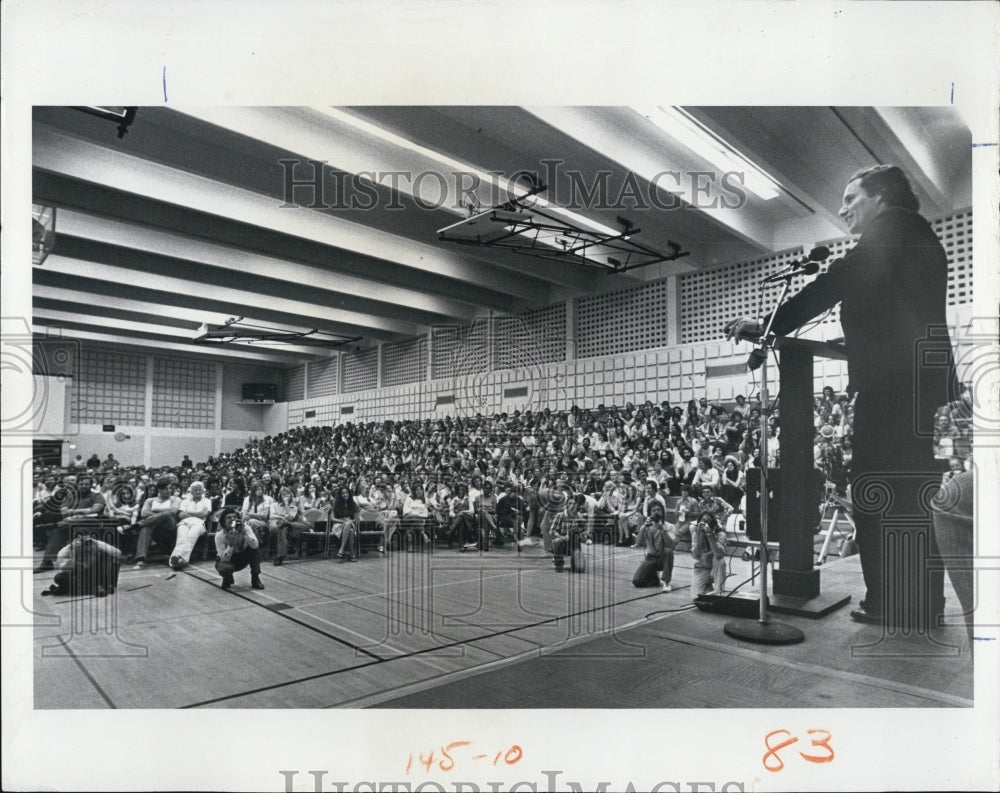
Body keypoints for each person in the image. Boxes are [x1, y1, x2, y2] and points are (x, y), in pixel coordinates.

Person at [725, 164, 954, 630]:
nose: (843, 207)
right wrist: (859, 342)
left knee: (874, 492)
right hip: (915, 386)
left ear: (881, 197)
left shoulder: (889, 230)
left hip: (891, 390)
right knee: (909, 496)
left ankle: (889, 601)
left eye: (852, 198)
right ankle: (921, 602)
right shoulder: (917, 236)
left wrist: (769, 325)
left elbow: (834, 282)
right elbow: (898, 311)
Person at [631, 501, 678, 592]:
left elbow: (671, 545)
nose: (656, 512)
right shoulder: (647, 526)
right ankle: (654, 578)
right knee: (637, 581)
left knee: (668, 551)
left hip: (663, 557)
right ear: (649, 513)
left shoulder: (669, 526)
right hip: (650, 557)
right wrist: (643, 527)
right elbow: (637, 543)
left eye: (659, 510)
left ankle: (666, 582)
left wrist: (662, 530)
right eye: (653, 510)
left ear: (663, 512)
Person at [214, 508, 264, 591]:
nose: (232, 519)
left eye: (234, 517)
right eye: (229, 517)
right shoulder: (219, 535)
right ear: (223, 522)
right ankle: (227, 578)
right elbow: (223, 558)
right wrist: (231, 544)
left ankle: (255, 578)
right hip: (227, 560)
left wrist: (244, 533)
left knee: (254, 549)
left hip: (241, 556)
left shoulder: (246, 528)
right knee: (224, 568)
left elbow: (255, 545)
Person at [168, 480, 212, 570]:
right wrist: (197, 513)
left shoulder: (207, 501)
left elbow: (204, 514)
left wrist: (188, 512)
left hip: (199, 524)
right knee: (181, 539)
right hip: (184, 522)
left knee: (191, 537)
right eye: (195, 490)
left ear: (203, 491)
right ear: (191, 491)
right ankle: (179, 560)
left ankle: (178, 558)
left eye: (200, 490)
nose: (198, 492)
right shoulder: (185, 501)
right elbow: (181, 515)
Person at [690, 513, 728, 598]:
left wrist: (710, 535)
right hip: (701, 569)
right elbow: (696, 555)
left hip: (715, 569)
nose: (705, 523)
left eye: (708, 521)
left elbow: (718, 554)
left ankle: (719, 592)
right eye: (703, 521)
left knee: (721, 561)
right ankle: (708, 587)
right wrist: (700, 535)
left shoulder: (721, 535)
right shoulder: (696, 535)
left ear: (713, 524)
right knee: (696, 598)